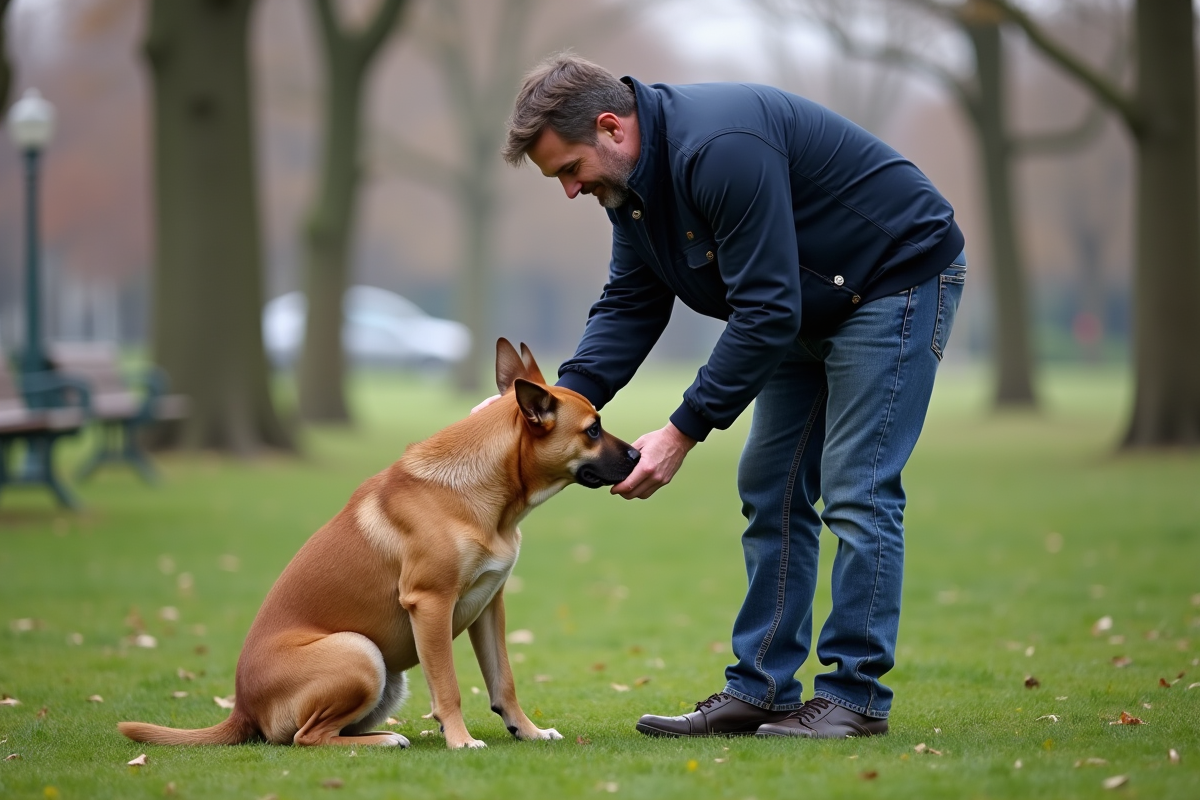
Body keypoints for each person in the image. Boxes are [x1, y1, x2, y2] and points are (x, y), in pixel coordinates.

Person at [499, 53, 966, 739]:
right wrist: (554, 404)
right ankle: (765, 689)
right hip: (805, 302)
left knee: (856, 487)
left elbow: (767, 309)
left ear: (610, 127)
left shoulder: (718, 150)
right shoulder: (631, 192)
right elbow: (632, 302)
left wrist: (683, 429)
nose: (570, 190)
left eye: (569, 169)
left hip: (892, 281)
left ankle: (855, 697)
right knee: (769, 485)